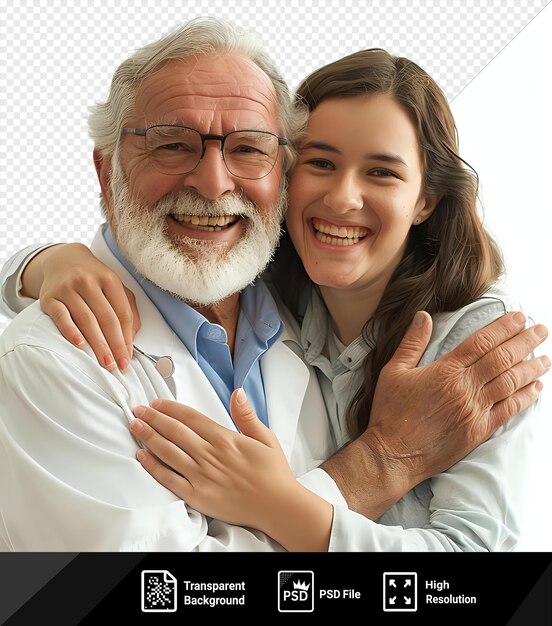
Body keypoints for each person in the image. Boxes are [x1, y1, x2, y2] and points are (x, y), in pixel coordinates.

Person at [0, 20, 547, 551]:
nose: (214, 185)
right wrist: (382, 460)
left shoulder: (291, 295)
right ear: (105, 170)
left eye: (248, 148)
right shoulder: (46, 365)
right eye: (171, 144)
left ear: (276, 174)